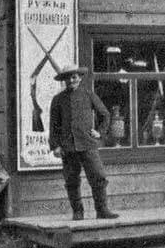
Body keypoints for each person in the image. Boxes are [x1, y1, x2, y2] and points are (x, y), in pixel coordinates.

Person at [48, 64, 119, 220]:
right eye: (68, 77)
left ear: (80, 78)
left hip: (88, 144)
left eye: (75, 76)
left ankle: (102, 210)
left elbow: (105, 114)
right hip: (68, 147)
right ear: (64, 80)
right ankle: (78, 212)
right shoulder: (58, 100)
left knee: (98, 177)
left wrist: (99, 132)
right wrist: (55, 145)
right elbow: (53, 125)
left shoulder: (88, 94)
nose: (72, 79)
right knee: (71, 180)